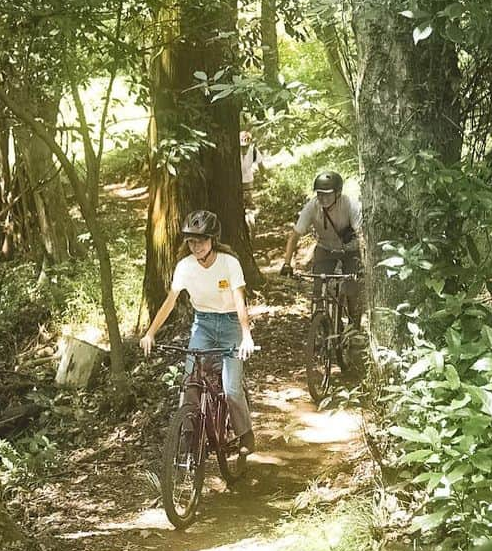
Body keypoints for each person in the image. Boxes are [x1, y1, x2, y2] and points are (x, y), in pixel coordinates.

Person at [140, 209, 257, 453]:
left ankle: (245, 434)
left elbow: (239, 300)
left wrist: (246, 335)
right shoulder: (185, 266)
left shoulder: (229, 263)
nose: (197, 246)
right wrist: (150, 333)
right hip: (202, 323)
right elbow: (171, 300)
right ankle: (190, 434)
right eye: (192, 241)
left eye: (202, 240)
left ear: (213, 239)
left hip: (230, 324)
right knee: (190, 381)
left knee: (232, 388)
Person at [280, 170, 364, 323]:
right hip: (325, 247)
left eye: (327, 194)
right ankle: (321, 325)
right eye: (319, 194)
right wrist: (287, 263)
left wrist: (364, 261)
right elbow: (295, 236)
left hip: (350, 249)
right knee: (318, 289)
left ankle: (354, 327)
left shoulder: (350, 204)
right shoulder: (312, 206)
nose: (323, 198)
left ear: (337, 193)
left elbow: (361, 235)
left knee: (352, 290)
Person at [239, 130, 259, 229]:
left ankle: (252, 225)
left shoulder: (254, 150)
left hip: (248, 181)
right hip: (237, 182)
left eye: (246, 146)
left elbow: (261, 164)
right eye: (242, 146)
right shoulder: (234, 152)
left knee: (250, 203)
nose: (244, 148)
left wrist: (264, 176)